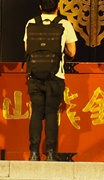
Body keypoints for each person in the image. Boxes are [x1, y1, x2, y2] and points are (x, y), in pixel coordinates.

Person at [24, 0, 77, 162]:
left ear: (40, 7)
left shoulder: (31, 23)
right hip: (56, 76)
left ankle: (34, 153)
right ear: (58, 7)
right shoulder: (64, 24)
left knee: (37, 113)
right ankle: (51, 153)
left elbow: (27, 49)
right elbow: (72, 52)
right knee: (51, 113)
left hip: (34, 75)